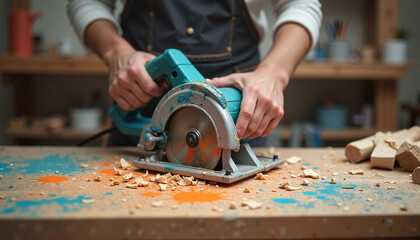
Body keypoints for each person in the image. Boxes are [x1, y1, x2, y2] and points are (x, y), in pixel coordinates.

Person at [67, 0, 322, 146]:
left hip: (241, 113)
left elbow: (299, 4)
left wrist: (273, 72)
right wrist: (115, 52)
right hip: (141, 97)